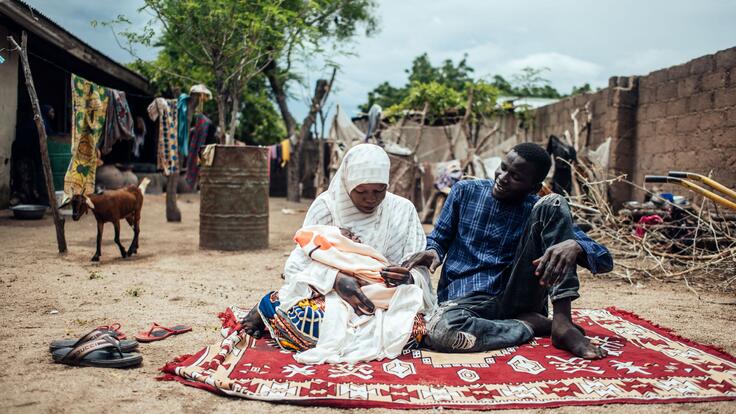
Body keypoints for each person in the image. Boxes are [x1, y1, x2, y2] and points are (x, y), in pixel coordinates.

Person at [403, 142, 613, 359]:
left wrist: (576, 246)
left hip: (517, 295)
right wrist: (433, 252)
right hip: (466, 299)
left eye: (516, 177)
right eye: (503, 168)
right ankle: (528, 325)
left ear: (533, 187)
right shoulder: (464, 192)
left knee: (554, 203)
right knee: (441, 332)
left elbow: (605, 259)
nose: (503, 177)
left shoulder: (537, 210)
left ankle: (562, 323)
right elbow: (439, 238)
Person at [240, 144, 436, 364]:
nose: (370, 199)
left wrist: (409, 278)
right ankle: (268, 305)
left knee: (416, 330)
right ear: (346, 183)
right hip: (331, 298)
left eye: (379, 190)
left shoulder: (403, 210)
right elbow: (297, 266)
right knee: (311, 323)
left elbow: (418, 268)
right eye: (361, 192)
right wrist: (336, 279)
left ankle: (275, 315)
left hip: (386, 300)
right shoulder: (327, 206)